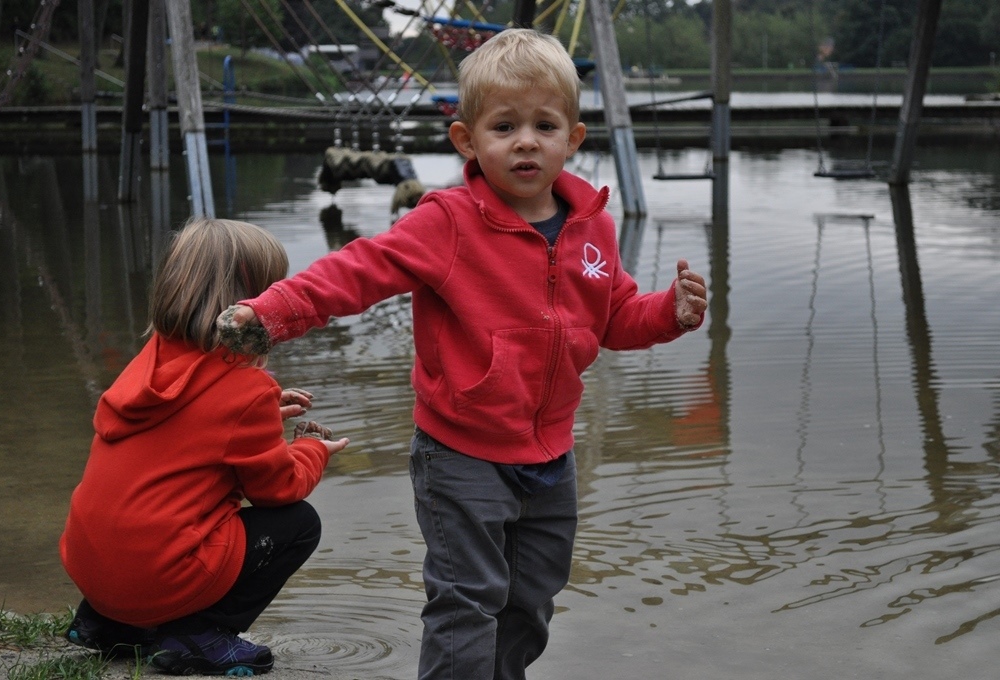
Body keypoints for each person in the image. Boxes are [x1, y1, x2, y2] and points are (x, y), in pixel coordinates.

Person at [216, 28, 708, 680]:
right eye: (504, 126)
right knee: (467, 601)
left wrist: (669, 312)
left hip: (551, 457)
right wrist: (272, 313)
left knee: (530, 601)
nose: (526, 141)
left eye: (544, 125)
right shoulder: (447, 222)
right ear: (467, 140)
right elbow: (356, 271)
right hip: (461, 454)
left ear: (573, 139)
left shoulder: (594, 228)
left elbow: (614, 317)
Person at [59, 218, 349, 676]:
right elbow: (277, 490)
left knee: (140, 520)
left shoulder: (149, 362)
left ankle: (106, 624)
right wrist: (312, 448)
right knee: (299, 524)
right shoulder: (246, 390)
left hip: (89, 569)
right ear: (257, 307)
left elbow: (184, 436)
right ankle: (200, 635)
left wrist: (264, 414)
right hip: (157, 578)